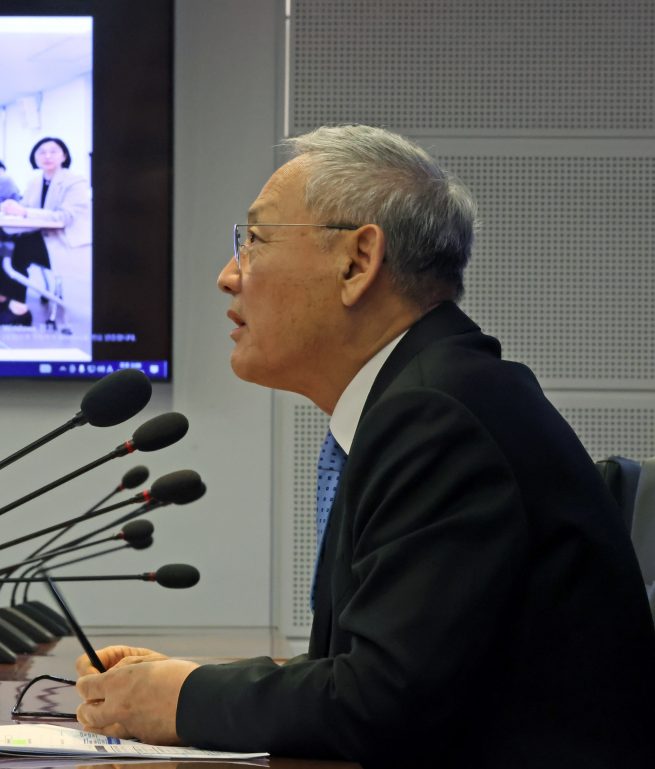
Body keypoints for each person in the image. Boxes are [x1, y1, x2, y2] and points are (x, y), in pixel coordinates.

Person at [71, 125, 655, 766]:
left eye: (255, 241)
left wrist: (184, 700)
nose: (228, 276)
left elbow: (381, 703)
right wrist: (184, 682)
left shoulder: (438, 417)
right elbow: (370, 668)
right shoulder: (430, 396)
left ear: (357, 262)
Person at [0, 137, 93, 325]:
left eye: (53, 151)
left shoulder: (76, 181)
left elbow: (65, 217)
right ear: (35, 157)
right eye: (42, 152)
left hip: (65, 243)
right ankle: (1, 296)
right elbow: (25, 207)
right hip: (41, 239)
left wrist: (24, 211)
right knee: (2, 241)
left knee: (18, 248)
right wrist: (12, 206)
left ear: (64, 156)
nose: (47, 156)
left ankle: (19, 310)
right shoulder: (35, 181)